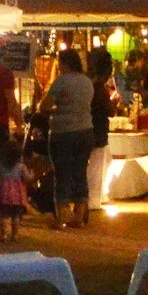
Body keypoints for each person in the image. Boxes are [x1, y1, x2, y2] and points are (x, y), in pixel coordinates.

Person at [40, 48, 96, 228]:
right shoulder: (87, 82)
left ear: (65, 63)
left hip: (63, 132)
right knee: (80, 172)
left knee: (61, 171)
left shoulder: (61, 81)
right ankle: (79, 215)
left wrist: (57, 109)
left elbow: (45, 106)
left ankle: (62, 215)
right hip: (85, 130)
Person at [0, 137, 31, 240]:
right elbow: (27, 178)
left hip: (3, 193)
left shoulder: (0, 165)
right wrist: (32, 174)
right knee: (16, 216)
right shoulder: (21, 167)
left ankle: (3, 235)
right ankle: (15, 235)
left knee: (3, 215)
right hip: (17, 195)